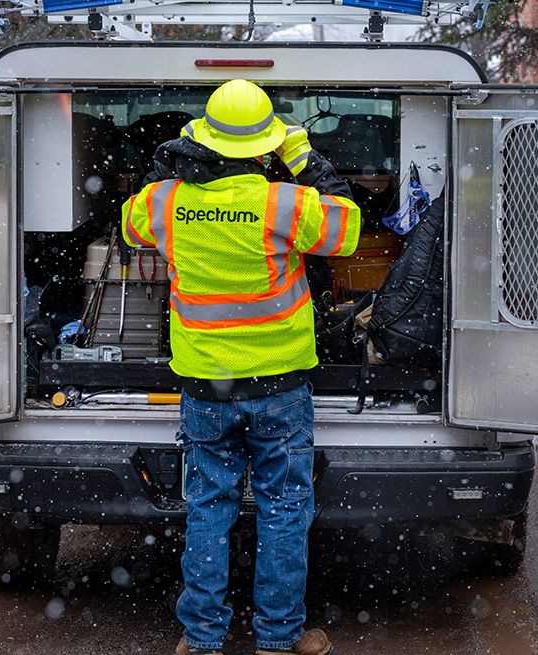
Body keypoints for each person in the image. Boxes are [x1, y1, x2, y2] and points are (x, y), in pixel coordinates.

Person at [121, 79, 361, 655]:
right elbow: (349, 227)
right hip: (279, 385)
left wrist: (174, 161)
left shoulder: (166, 203)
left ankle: (201, 637)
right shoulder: (286, 204)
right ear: (265, 148)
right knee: (283, 510)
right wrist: (303, 158)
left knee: (209, 508)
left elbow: (130, 224)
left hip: (206, 387)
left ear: (203, 141)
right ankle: (280, 638)